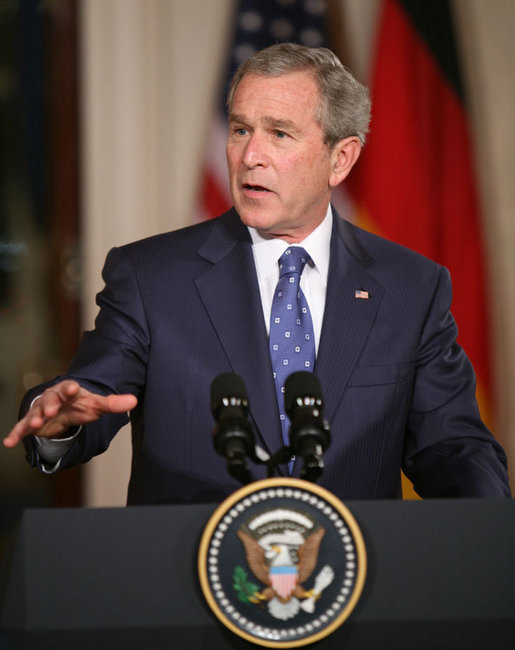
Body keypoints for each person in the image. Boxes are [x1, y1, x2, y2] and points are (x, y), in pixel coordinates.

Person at [3, 43, 510, 503]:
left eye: (280, 134)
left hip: (353, 584)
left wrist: (491, 537)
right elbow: (91, 394)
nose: (250, 156)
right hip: (187, 579)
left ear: (341, 159)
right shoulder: (150, 276)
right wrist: (58, 424)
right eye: (241, 129)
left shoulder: (410, 288)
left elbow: (452, 446)